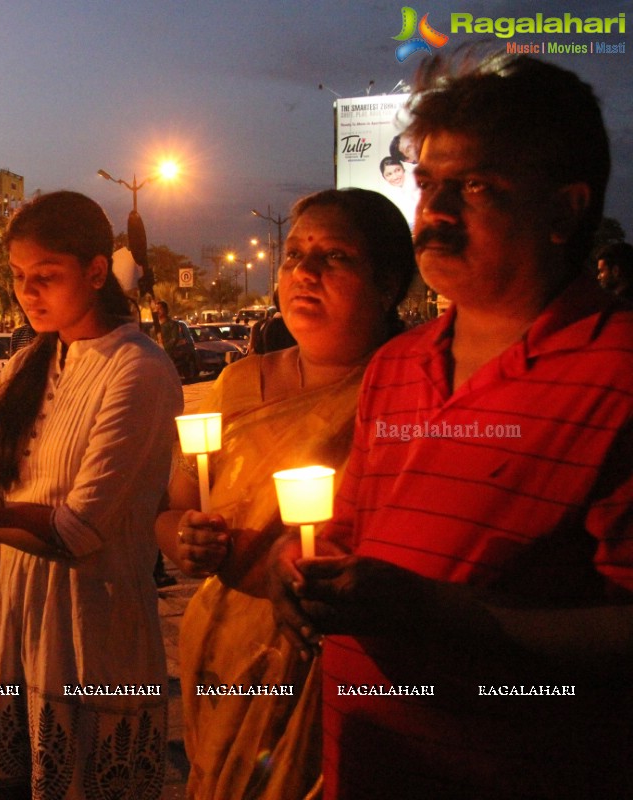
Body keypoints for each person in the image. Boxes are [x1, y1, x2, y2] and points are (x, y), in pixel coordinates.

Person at [271, 54, 633, 797]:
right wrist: (303, 569)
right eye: (428, 183)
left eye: (475, 187)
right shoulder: (399, 364)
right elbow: (352, 529)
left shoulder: (617, 372)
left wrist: (442, 614)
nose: (434, 213)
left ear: (566, 208)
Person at [155, 189, 415, 800]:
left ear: (387, 283)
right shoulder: (238, 383)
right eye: (295, 253)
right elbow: (172, 507)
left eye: (336, 257)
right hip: (226, 649)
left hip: (348, 656)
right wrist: (183, 539)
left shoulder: (412, 385)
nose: (305, 271)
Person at [0, 191, 183, 799]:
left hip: (89, 624)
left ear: (96, 272)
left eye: (46, 276)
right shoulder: (22, 366)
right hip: (6, 612)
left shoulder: (138, 369)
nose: (28, 293)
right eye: (19, 277)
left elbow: (78, 531)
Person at [156, 299, 196, 379]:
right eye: (156, 309)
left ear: (165, 310)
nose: (157, 311)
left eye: (159, 309)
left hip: (168, 354)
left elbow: (174, 339)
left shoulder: (172, 324)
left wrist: (164, 347)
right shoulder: (155, 325)